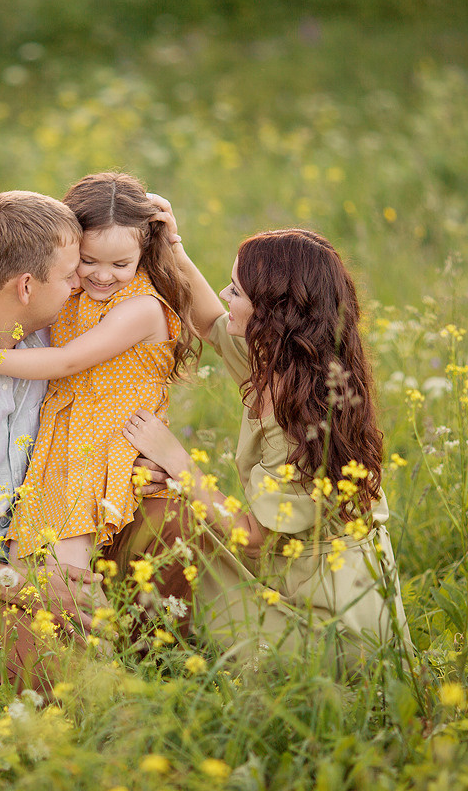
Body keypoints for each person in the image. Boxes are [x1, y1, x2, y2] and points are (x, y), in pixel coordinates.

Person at [122, 199, 413, 666]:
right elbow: (210, 323)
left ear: (273, 313)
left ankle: (136, 653)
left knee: (182, 547)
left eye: (235, 290)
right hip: (291, 579)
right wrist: (172, 247)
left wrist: (177, 461)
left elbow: (253, 536)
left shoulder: (308, 417)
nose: (225, 294)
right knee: (176, 527)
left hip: (332, 630)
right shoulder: (281, 367)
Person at [0, 172, 198, 575]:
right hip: (61, 442)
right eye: (87, 261)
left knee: (65, 574)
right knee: (28, 568)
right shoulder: (73, 290)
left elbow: (66, 361)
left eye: (120, 264)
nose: (100, 275)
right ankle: (67, 635)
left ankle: (83, 636)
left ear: (142, 253)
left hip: (103, 447)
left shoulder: (141, 308)